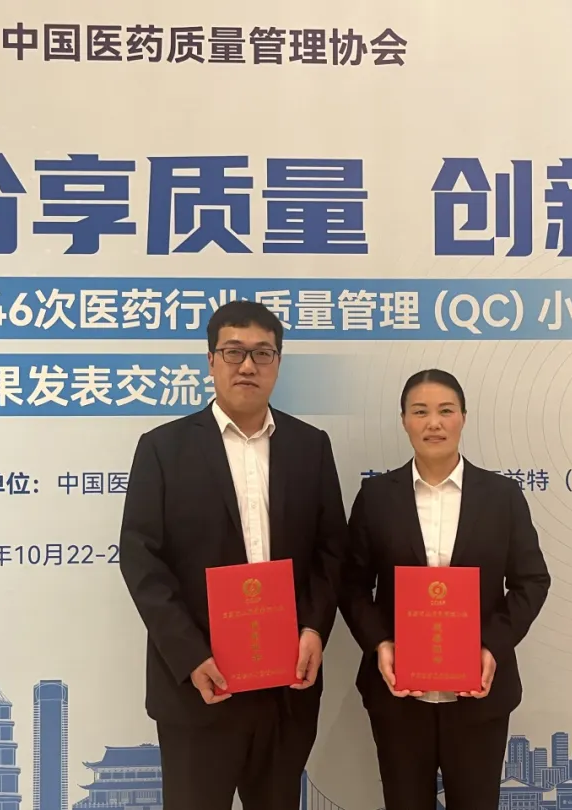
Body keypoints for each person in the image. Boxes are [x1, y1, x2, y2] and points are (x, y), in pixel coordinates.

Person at [118, 300, 348, 810]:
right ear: (211, 360)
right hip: (200, 686)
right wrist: (190, 655)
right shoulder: (162, 449)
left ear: (278, 363)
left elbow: (332, 550)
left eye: (263, 353)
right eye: (233, 352)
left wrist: (314, 629)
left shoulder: (311, 447)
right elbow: (141, 561)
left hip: (286, 687)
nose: (248, 365)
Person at [339, 369, 551, 810]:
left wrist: (491, 646)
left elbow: (531, 580)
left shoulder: (502, 496)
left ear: (463, 418)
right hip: (399, 695)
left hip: (478, 695)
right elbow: (352, 583)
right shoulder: (376, 497)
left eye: (445, 411)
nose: (433, 423)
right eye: (420, 412)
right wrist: (380, 643)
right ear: (403, 421)